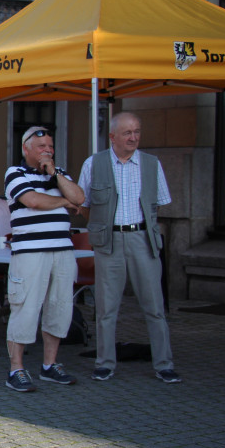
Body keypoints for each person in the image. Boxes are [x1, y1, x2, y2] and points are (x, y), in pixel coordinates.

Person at [78, 112, 179, 383]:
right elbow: (83, 205)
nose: (133, 137)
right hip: (108, 242)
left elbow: (158, 204)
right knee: (106, 307)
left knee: (154, 306)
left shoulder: (151, 163)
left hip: (142, 239)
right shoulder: (93, 163)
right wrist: (102, 228)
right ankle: (105, 363)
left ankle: (164, 364)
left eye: (137, 131)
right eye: (127, 133)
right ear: (112, 137)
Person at [3, 127, 85, 392]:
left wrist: (55, 174)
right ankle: (16, 369)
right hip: (30, 254)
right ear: (26, 149)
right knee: (24, 308)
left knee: (59, 308)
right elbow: (33, 201)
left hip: (62, 251)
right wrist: (63, 202)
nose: (47, 150)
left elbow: (80, 198)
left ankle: (50, 365)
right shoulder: (15, 174)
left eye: (50, 146)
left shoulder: (60, 175)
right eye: (41, 147)